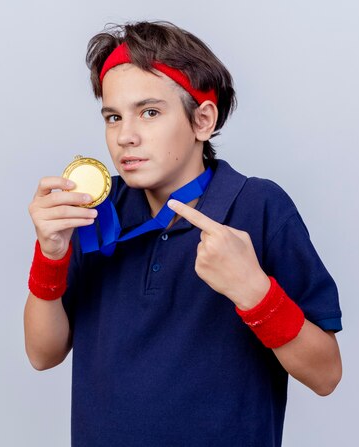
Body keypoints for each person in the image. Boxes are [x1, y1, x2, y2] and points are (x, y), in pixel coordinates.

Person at [24, 21, 342, 446]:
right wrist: (50, 253)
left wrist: (254, 292)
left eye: (149, 112)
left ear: (202, 121)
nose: (125, 136)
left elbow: (326, 374)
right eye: (113, 117)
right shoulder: (93, 210)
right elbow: (43, 355)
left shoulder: (259, 207)